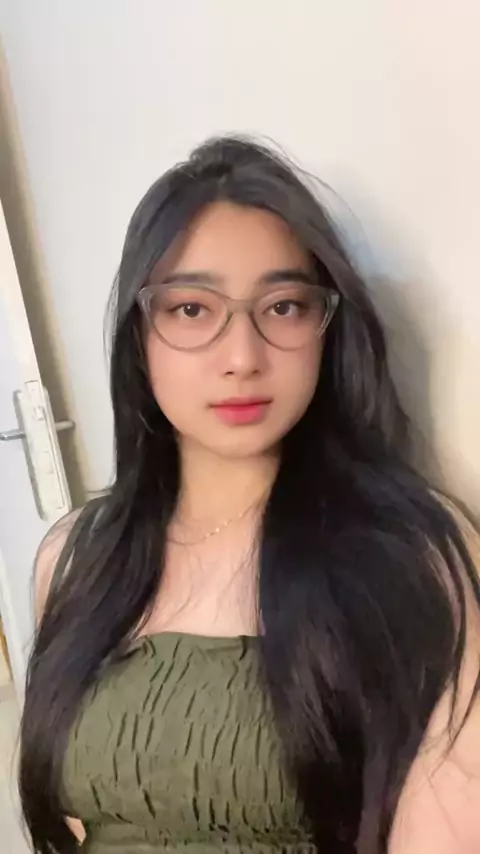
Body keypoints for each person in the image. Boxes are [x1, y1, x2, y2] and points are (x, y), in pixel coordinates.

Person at [19, 137, 480, 854]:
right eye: (192, 310)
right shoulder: (75, 557)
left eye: (284, 306)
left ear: (328, 327)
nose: (242, 357)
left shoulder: (413, 554)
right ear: (140, 334)